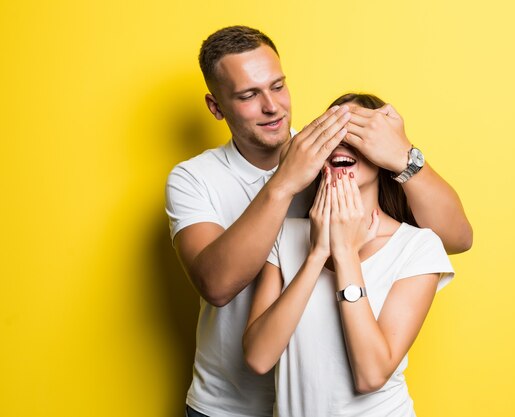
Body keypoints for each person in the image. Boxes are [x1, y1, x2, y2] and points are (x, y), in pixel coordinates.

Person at [166, 26, 471, 417]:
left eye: (278, 86)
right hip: (229, 403)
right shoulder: (194, 178)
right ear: (216, 107)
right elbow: (217, 285)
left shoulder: (333, 159)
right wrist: (285, 184)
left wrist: (403, 155)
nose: (272, 106)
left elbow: (454, 238)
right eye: (248, 95)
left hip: (318, 401)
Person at [243, 93, 454, 417]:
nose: (341, 144)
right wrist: (318, 254)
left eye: (356, 135)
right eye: (332, 134)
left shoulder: (418, 247)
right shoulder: (285, 234)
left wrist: (345, 255)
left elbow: (371, 375)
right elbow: (258, 357)